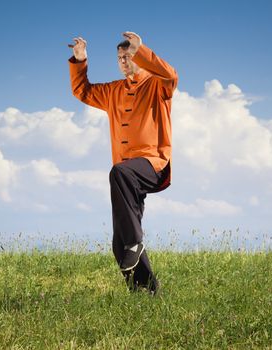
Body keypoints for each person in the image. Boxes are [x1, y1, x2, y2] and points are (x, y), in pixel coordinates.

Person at [68, 31, 177, 295]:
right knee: (120, 242)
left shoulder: (156, 84)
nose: (124, 61)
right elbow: (83, 91)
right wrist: (80, 60)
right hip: (126, 175)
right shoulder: (114, 90)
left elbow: (171, 76)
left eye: (128, 56)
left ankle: (135, 245)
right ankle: (146, 291)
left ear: (139, 58)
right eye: (120, 58)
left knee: (120, 172)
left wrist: (142, 49)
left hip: (152, 163)